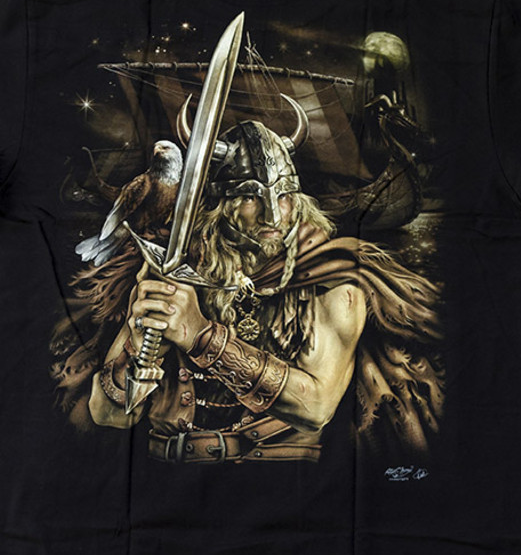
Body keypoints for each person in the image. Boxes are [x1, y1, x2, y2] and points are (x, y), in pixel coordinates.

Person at [83, 107, 444, 463]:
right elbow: (108, 415)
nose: (273, 214)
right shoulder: (178, 273)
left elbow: (316, 407)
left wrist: (200, 335)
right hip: (169, 476)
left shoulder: (331, 281)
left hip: (284, 478)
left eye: (283, 196)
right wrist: (138, 344)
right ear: (221, 204)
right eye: (250, 196)